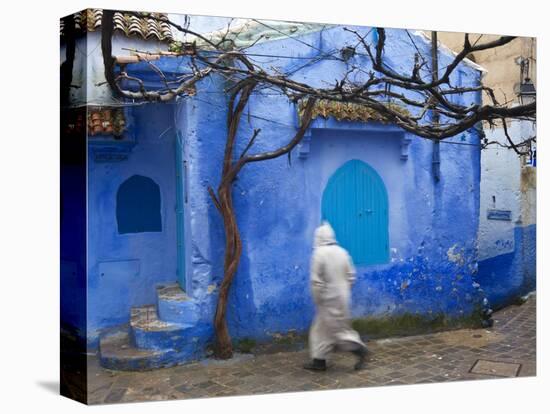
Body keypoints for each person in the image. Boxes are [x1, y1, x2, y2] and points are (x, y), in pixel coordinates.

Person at [303, 222, 368, 371]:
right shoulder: (342, 252)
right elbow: (351, 276)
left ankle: (359, 350)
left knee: (337, 331)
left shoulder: (319, 254)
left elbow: (316, 282)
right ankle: (319, 361)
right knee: (321, 329)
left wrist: (318, 299)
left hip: (327, 298)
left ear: (318, 237)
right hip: (343, 296)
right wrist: (344, 290)